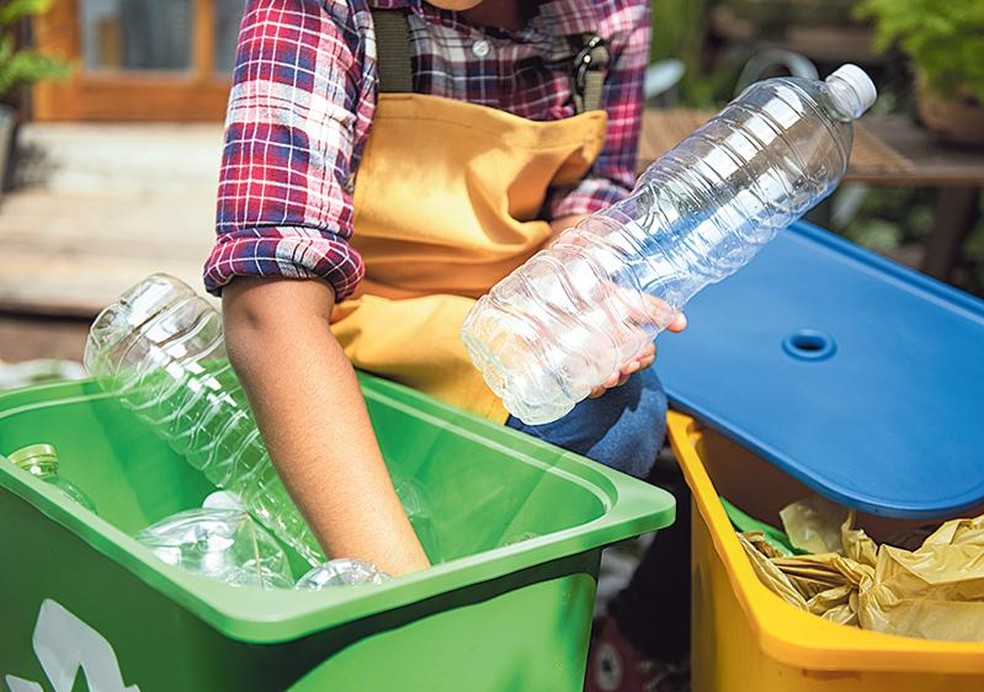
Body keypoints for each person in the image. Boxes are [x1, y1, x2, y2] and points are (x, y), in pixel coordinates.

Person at [204, 0, 689, 687]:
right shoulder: (318, 10)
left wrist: (577, 275)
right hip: (343, 345)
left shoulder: (605, 15)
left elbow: (592, 191)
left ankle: (510, 640)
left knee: (624, 413)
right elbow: (268, 312)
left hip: (496, 333)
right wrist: (412, 616)